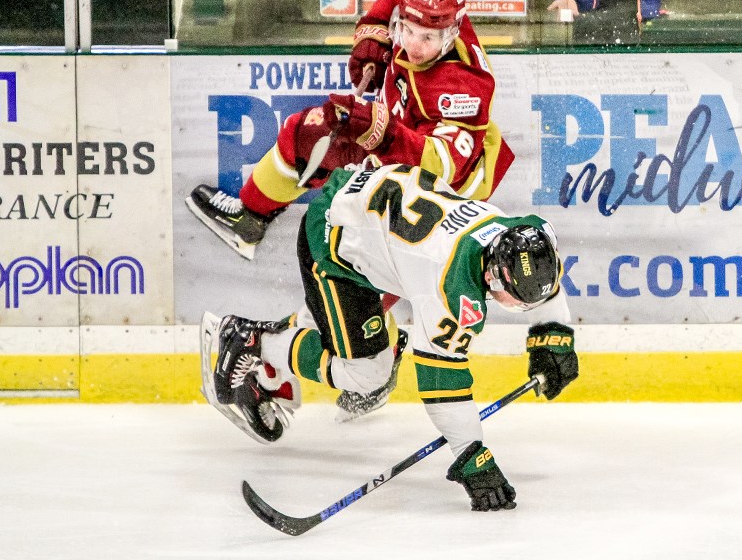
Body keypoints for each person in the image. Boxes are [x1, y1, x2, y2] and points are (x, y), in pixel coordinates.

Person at [188, 0, 517, 420]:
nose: (413, 44)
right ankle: (251, 217)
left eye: (426, 36)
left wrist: (377, 134)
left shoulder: (463, 86)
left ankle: (277, 367)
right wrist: (375, 33)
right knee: (312, 133)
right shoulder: (433, 12)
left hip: (438, 197)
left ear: (451, 31)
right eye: (407, 30)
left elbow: (440, 165)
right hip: (400, 164)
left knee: (353, 294)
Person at [202, 163, 579, 511]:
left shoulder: (523, 234)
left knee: (350, 336)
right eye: (515, 299)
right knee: (367, 374)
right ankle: (250, 341)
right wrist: (471, 454)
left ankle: (314, 336)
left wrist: (553, 332)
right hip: (335, 240)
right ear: (495, 275)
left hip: (375, 216)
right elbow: (440, 381)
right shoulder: (450, 287)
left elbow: (542, 281)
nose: (519, 305)